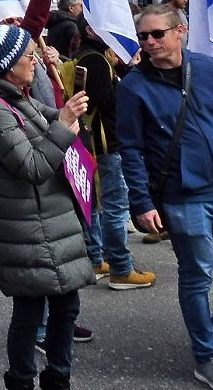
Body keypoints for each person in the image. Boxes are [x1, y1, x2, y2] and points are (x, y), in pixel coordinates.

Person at [117, 4, 213, 390]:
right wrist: (141, 202)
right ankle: (206, 357)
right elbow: (130, 150)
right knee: (197, 277)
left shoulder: (206, 67)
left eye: (157, 34)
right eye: (143, 36)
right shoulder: (133, 86)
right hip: (182, 198)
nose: (150, 42)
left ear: (180, 32)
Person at [0, 24, 93, 390]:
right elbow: (33, 166)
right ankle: (22, 379)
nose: (34, 61)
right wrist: (64, 126)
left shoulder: (18, 97)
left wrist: (68, 110)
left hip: (51, 221)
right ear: (8, 65)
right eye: (28, 56)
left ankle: (58, 377)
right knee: (30, 312)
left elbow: (50, 116)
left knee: (66, 307)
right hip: (24, 227)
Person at [72, 23, 155, 292]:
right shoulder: (96, 60)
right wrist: (127, 71)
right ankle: (121, 268)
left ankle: (97, 259)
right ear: (90, 30)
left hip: (100, 141)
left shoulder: (88, 55)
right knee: (115, 206)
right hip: (108, 141)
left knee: (99, 205)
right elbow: (111, 103)